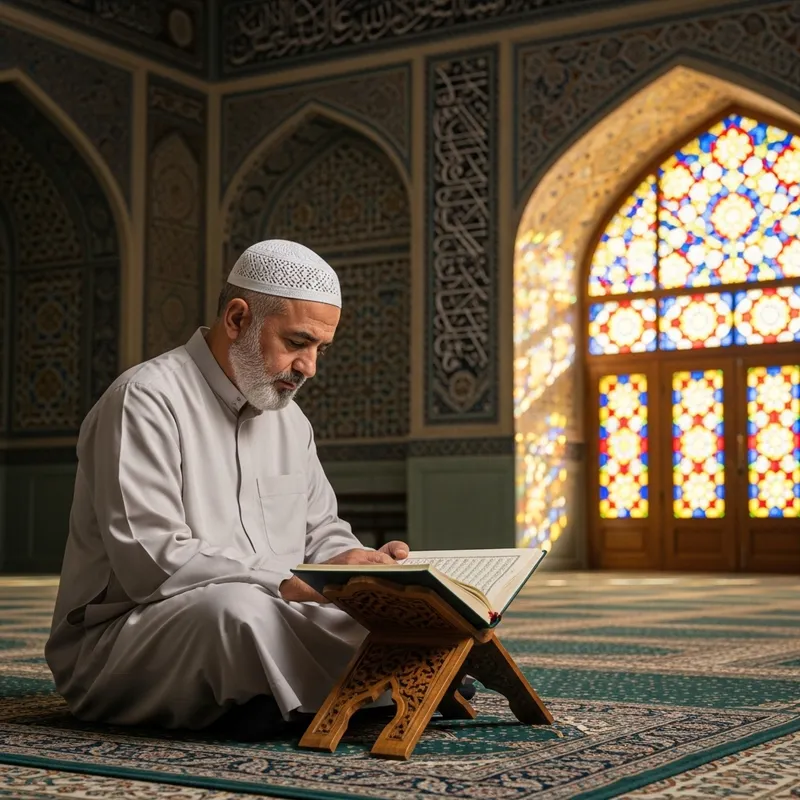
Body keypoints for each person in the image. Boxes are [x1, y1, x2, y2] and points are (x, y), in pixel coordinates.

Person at [45, 239, 411, 737]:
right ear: (238, 319)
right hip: (130, 638)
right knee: (234, 611)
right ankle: (392, 684)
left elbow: (322, 532)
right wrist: (294, 581)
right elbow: (152, 563)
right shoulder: (145, 401)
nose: (310, 368)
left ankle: (310, 694)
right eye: (298, 343)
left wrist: (361, 567)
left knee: (376, 607)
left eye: (320, 350)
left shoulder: (290, 421)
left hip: (271, 608)